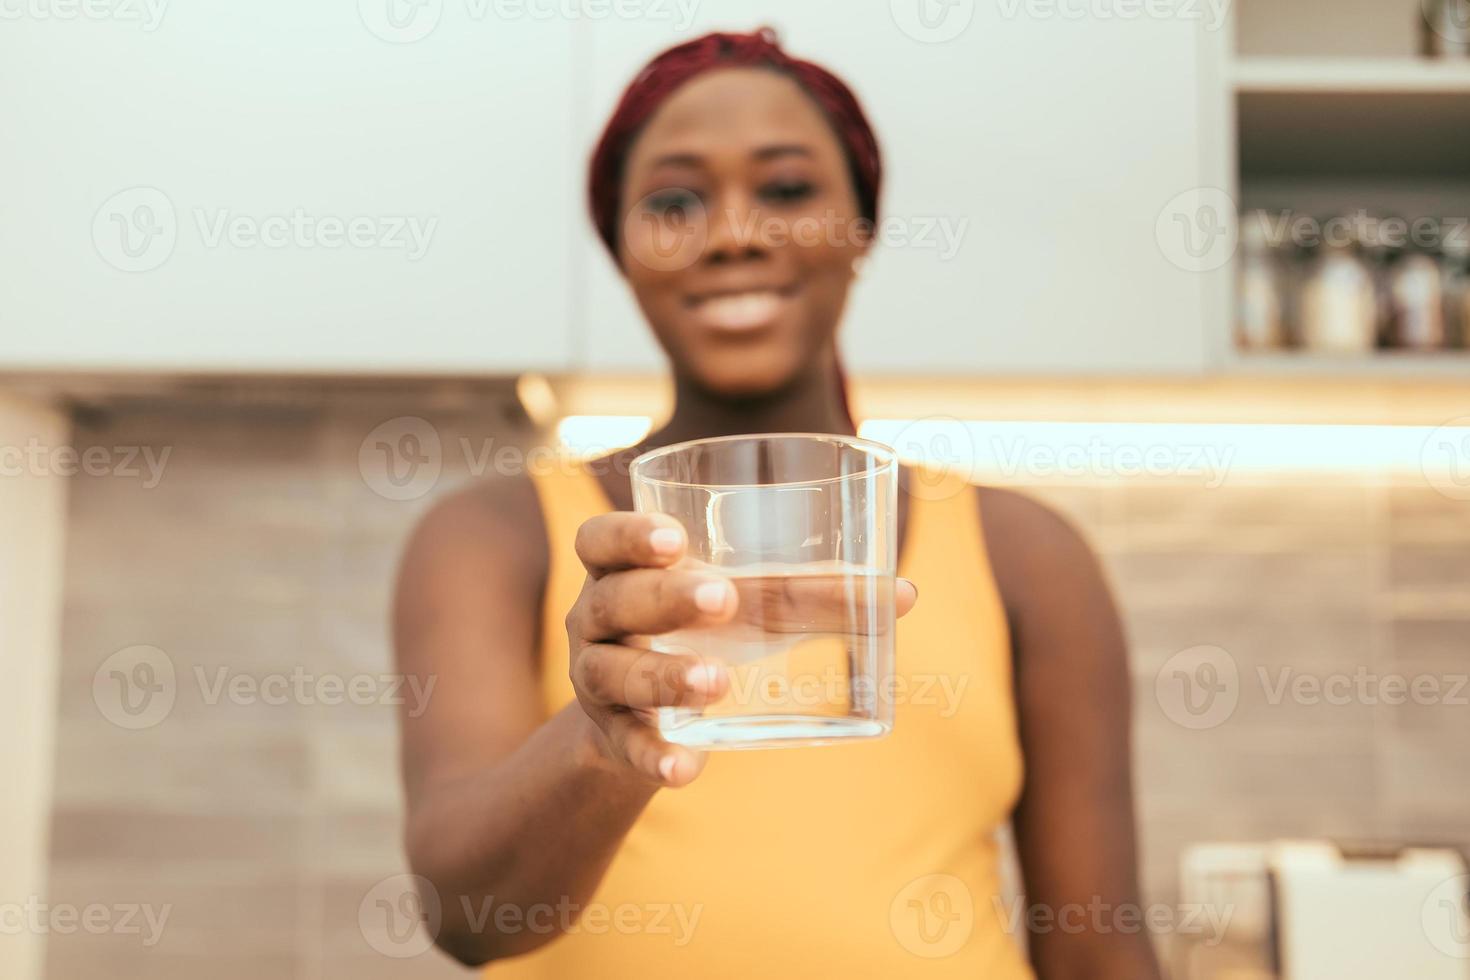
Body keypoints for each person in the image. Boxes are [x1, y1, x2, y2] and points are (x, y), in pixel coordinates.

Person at [393, 28, 1160, 979]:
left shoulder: (1026, 553)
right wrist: (604, 732)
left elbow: (1097, 948)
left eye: (788, 188)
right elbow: (467, 916)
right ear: (620, 247)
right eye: (674, 200)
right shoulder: (494, 538)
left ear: (863, 227)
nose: (734, 231)